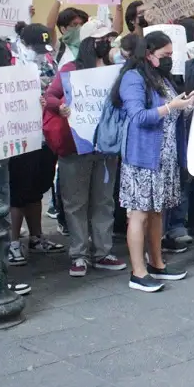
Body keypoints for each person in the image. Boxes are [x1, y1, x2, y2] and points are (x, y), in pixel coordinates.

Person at [114, 30, 194, 291]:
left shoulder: (160, 78)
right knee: (138, 214)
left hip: (165, 158)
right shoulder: (133, 77)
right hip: (142, 158)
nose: (169, 59)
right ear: (149, 54)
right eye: (165, 55)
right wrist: (171, 107)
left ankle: (157, 263)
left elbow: (172, 110)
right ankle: (137, 272)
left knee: (157, 211)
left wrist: (185, 105)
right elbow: (139, 116)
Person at [45, 21, 128, 277]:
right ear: (91, 42)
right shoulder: (70, 69)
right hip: (76, 145)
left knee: (104, 200)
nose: (109, 43)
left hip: (105, 147)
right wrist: (61, 106)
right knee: (75, 202)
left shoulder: (115, 71)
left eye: (111, 38)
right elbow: (49, 97)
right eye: (104, 39)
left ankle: (102, 252)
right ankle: (79, 254)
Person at [5, 23, 65, 267]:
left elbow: (56, 88)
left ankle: (37, 237)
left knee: (38, 188)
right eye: (35, 48)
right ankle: (12, 242)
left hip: (45, 133)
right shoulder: (10, 62)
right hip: (20, 135)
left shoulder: (49, 61)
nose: (40, 52)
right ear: (23, 44)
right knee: (18, 192)